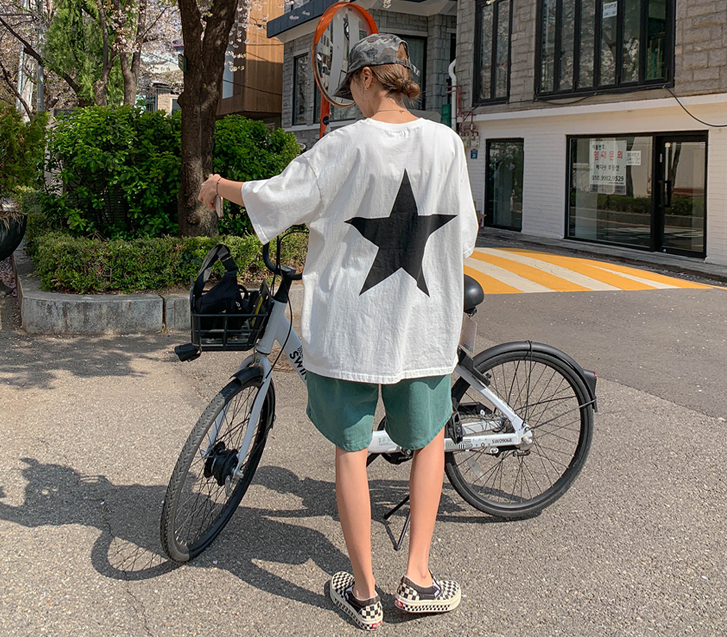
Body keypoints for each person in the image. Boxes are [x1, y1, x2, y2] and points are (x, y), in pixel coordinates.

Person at [198, 33, 478, 630]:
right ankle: (419, 579)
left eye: (350, 81)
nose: (349, 93)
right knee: (428, 440)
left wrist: (219, 186)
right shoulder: (446, 143)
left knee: (351, 450)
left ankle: (364, 593)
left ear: (368, 77)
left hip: (352, 328)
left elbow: (279, 198)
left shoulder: (343, 146)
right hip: (421, 324)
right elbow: (464, 235)